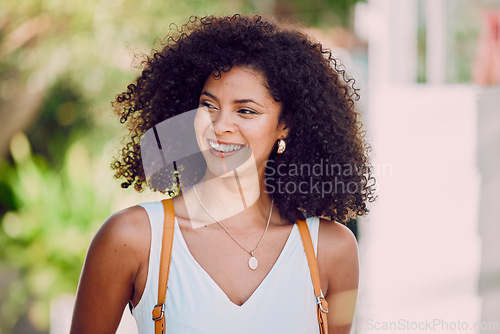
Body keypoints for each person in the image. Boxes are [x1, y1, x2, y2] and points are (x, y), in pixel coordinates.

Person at [70, 14, 375, 334]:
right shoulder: (133, 239)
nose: (219, 126)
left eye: (246, 110)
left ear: (285, 126)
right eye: (208, 105)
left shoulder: (332, 250)